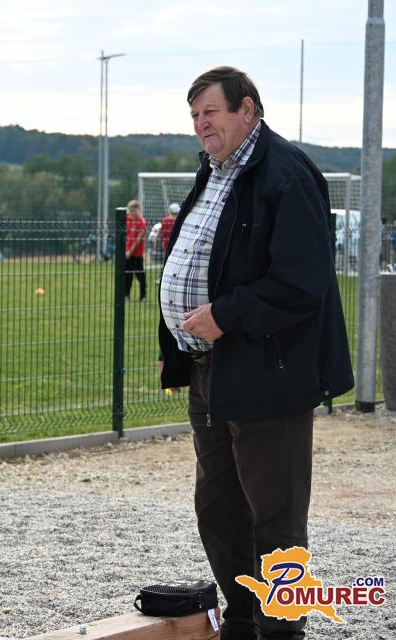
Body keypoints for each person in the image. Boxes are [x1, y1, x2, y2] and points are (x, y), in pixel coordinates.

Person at [157, 66, 353, 640]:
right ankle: (242, 624)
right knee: (218, 508)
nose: (201, 125)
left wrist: (225, 315)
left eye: (211, 112)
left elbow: (302, 282)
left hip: (270, 373)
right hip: (209, 371)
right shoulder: (216, 171)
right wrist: (177, 346)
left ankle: (282, 632)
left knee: (276, 519)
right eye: (194, 116)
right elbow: (197, 262)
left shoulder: (285, 175)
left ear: (247, 110)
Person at [124, 200, 147, 301]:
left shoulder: (141, 221)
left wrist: (130, 251)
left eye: (134, 210)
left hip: (137, 254)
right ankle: (126, 295)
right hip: (127, 253)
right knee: (127, 275)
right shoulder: (129, 219)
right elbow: (123, 214)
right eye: (131, 210)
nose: (132, 212)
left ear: (138, 210)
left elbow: (139, 239)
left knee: (140, 276)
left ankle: (143, 296)